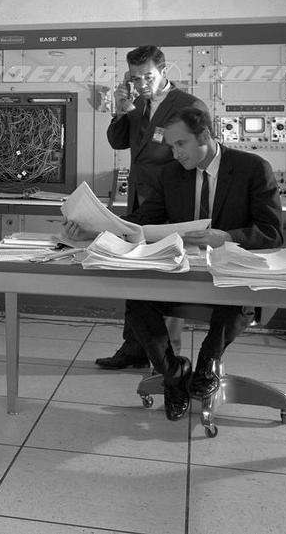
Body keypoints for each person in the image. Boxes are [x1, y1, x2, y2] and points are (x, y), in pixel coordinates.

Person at [67, 106, 283, 421]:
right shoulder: (171, 173)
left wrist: (226, 237)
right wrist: (95, 229)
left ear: (204, 136)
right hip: (184, 275)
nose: (175, 153)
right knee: (138, 298)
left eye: (181, 144)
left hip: (230, 277)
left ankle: (206, 365)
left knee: (233, 301)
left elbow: (272, 232)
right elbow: (142, 220)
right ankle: (174, 373)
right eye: (171, 146)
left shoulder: (252, 168)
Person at [95, 45, 207, 371]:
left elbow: (197, 155)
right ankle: (134, 348)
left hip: (172, 205)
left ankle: (168, 359)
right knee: (135, 276)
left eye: (148, 77)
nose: (142, 84)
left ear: (164, 71)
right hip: (139, 202)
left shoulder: (187, 105)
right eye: (135, 78)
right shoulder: (138, 103)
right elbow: (118, 141)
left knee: (167, 280)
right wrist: (120, 111)